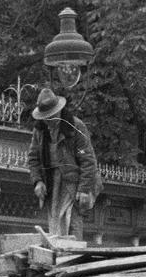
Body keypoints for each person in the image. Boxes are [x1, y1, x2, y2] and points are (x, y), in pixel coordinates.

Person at [27, 87, 100, 238]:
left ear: (59, 111)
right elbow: (33, 159)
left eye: (52, 116)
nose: (50, 120)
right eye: (46, 117)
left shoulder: (75, 127)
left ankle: (74, 258)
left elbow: (86, 158)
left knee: (72, 223)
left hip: (73, 183)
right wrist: (38, 181)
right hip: (52, 184)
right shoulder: (39, 131)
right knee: (55, 226)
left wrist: (84, 189)